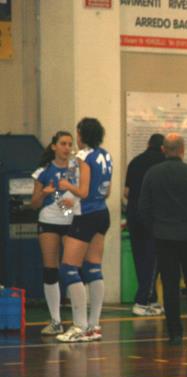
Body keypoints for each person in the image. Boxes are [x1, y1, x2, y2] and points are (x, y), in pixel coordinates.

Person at [139, 133, 187, 345]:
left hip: (164, 236)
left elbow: (143, 207)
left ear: (163, 150)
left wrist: (155, 228)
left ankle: (174, 333)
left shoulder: (153, 173)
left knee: (170, 285)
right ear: (182, 150)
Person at [56, 118, 112, 342]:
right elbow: (106, 191)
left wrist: (66, 186)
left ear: (82, 135)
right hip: (102, 214)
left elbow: (84, 191)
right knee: (93, 268)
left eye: (77, 134)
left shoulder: (82, 157)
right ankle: (94, 326)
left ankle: (79, 326)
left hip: (86, 215)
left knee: (68, 269)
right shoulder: (105, 154)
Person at [30, 131, 77, 335]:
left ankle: (79, 321)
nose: (67, 148)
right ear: (54, 146)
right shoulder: (43, 171)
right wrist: (44, 193)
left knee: (72, 269)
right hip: (48, 222)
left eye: (70, 144)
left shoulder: (76, 169)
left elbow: (82, 195)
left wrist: (70, 200)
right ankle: (56, 321)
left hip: (71, 222)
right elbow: (34, 204)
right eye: (63, 143)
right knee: (51, 270)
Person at [124, 133, 165, 317]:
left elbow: (126, 192)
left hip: (134, 214)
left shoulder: (135, 161)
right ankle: (142, 300)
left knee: (140, 258)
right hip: (153, 217)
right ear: (163, 147)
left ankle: (151, 298)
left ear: (148, 144)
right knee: (153, 259)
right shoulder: (163, 163)